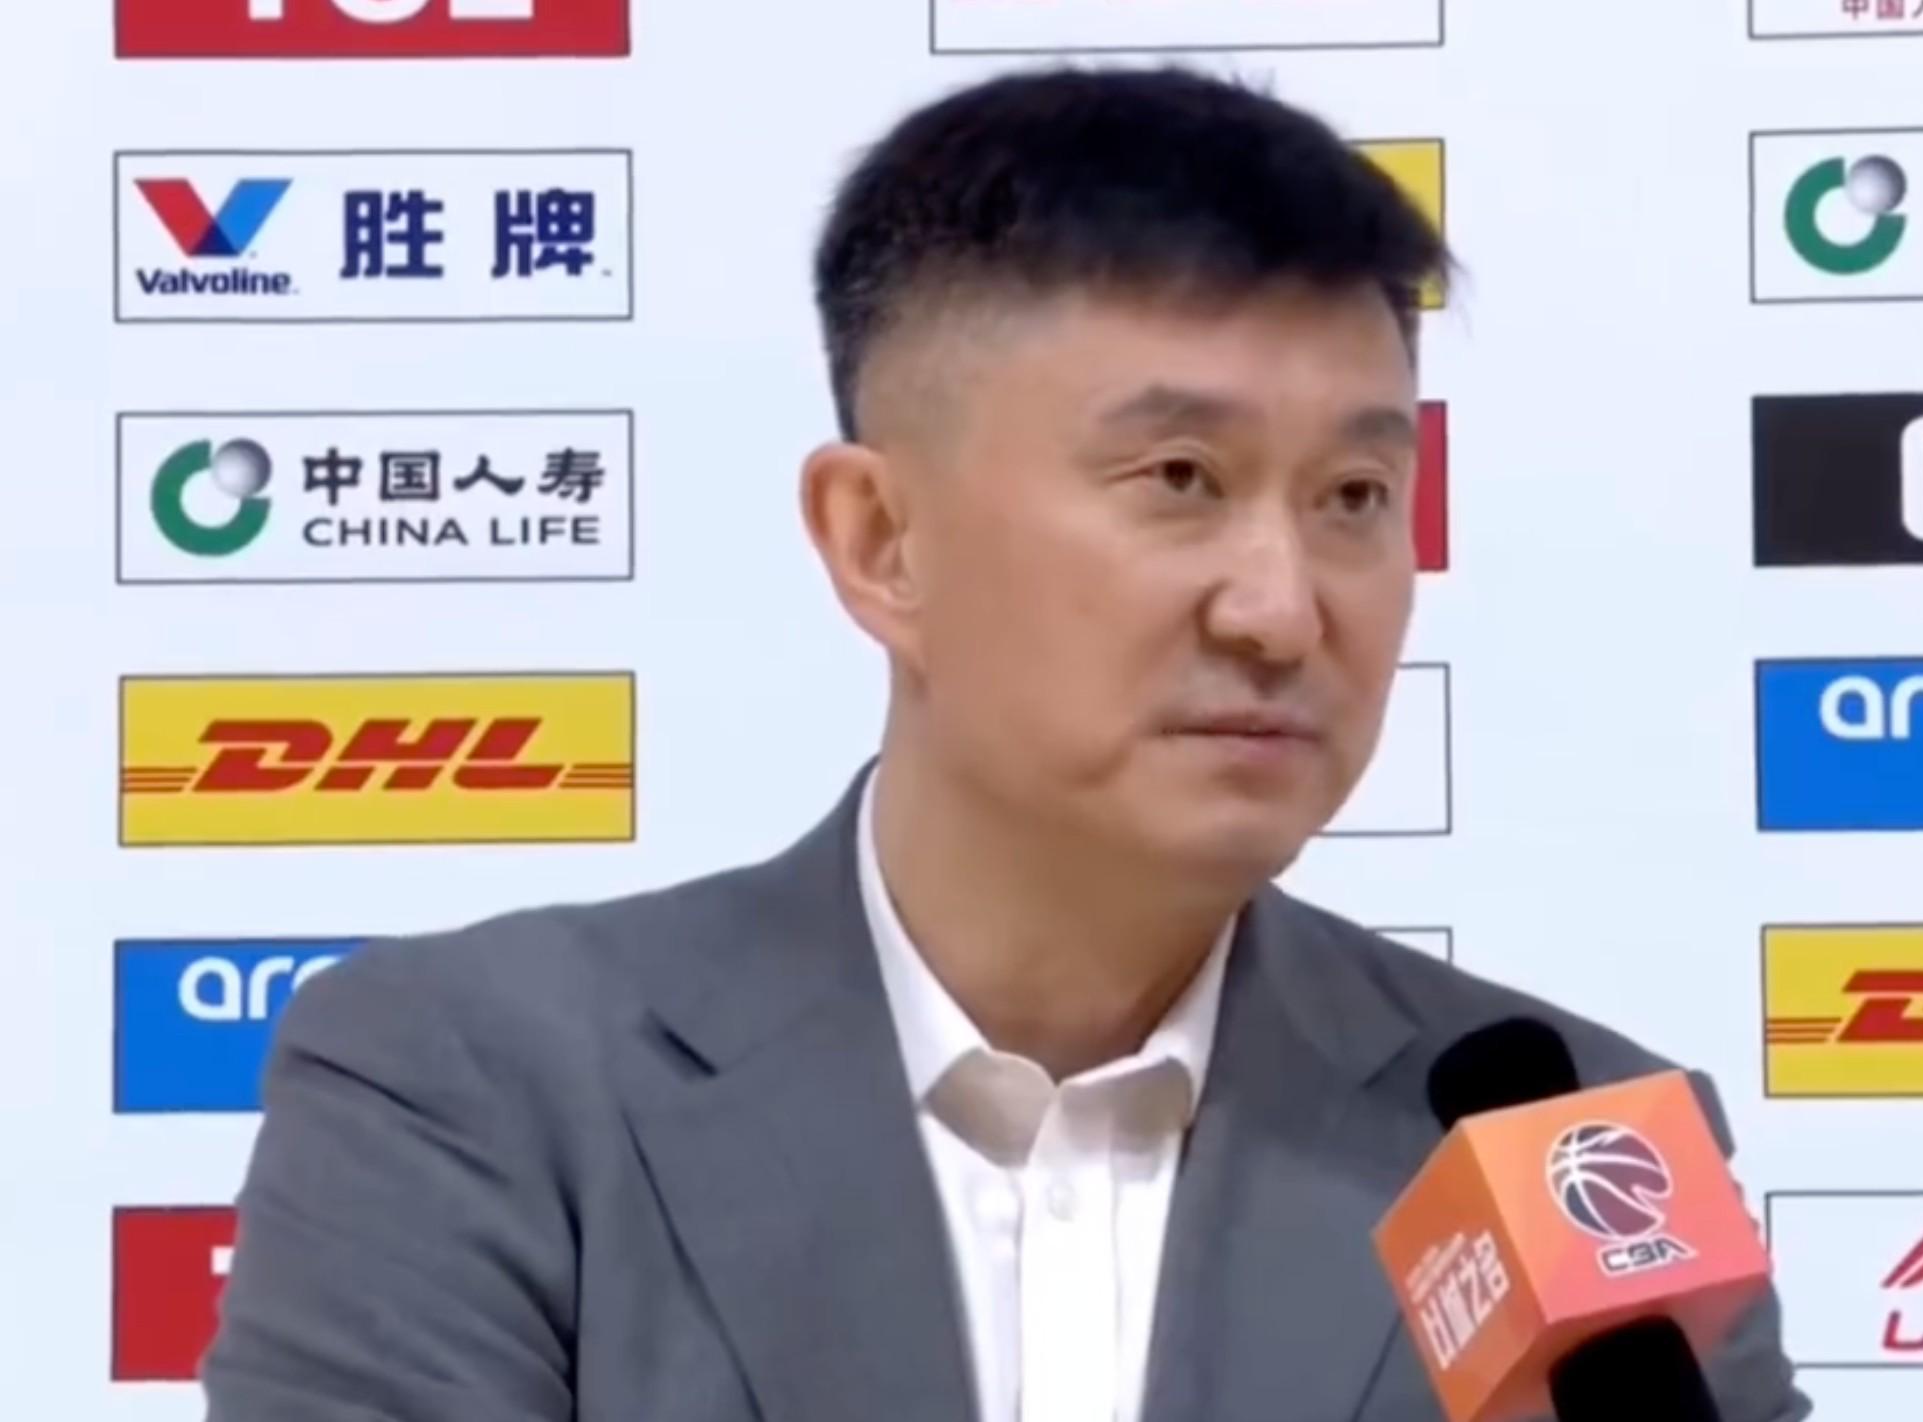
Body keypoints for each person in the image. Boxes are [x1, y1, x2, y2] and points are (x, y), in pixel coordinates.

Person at [202, 65, 1810, 1422]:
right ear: (880, 540)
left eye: (1353, 496)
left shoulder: (1571, 1144)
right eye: (1179, 479)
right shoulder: (475, 1085)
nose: (1279, 608)